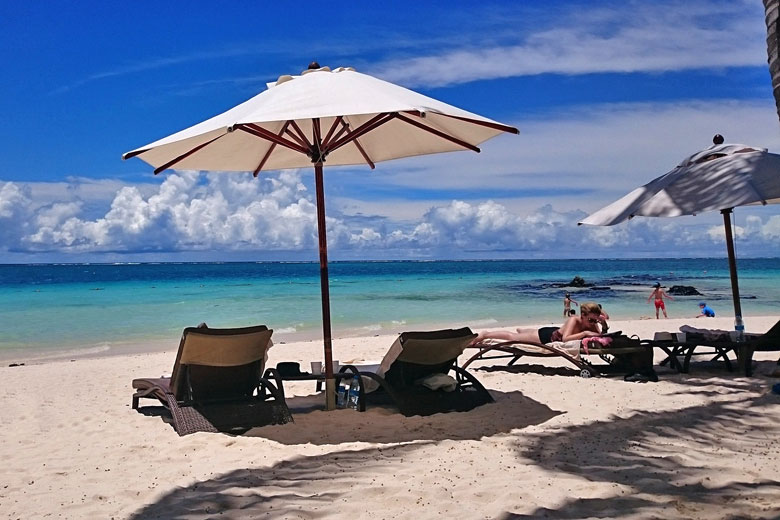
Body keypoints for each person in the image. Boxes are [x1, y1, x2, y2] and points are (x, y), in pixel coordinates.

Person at [471, 301, 604, 345]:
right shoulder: (574, 320)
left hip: (555, 330)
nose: (593, 322)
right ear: (583, 315)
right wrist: (585, 333)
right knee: (513, 338)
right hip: (547, 336)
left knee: (526, 333)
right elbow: (565, 339)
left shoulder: (593, 322)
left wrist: (603, 325)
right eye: (591, 320)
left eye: (595, 320)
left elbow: (599, 335)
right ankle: (485, 334)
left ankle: (523, 331)